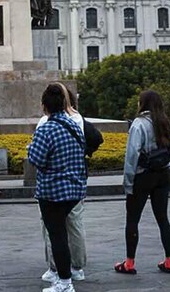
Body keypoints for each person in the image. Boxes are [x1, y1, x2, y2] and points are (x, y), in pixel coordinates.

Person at [36, 84, 102, 286]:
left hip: (53, 188)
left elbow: (37, 157)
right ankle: (77, 266)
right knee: (74, 225)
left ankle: (59, 273)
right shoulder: (77, 122)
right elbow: (96, 138)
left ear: (45, 105)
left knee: (55, 233)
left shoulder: (46, 125)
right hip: (76, 185)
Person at [28, 84, 88, 292]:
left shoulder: (45, 129)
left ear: (45, 106)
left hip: (52, 192)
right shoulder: (74, 126)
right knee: (66, 232)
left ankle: (64, 281)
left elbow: (35, 158)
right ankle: (69, 274)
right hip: (74, 190)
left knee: (57, 237)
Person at [115, 90, 170, 276]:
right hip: (162, 175)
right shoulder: (164, 122)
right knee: (163, 219)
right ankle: (169, 261)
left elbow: (132, 155)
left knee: (133, 220)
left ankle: (130, 263)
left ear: (142, 104)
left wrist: (128, 182)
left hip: (142, 176)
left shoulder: (139, 124)